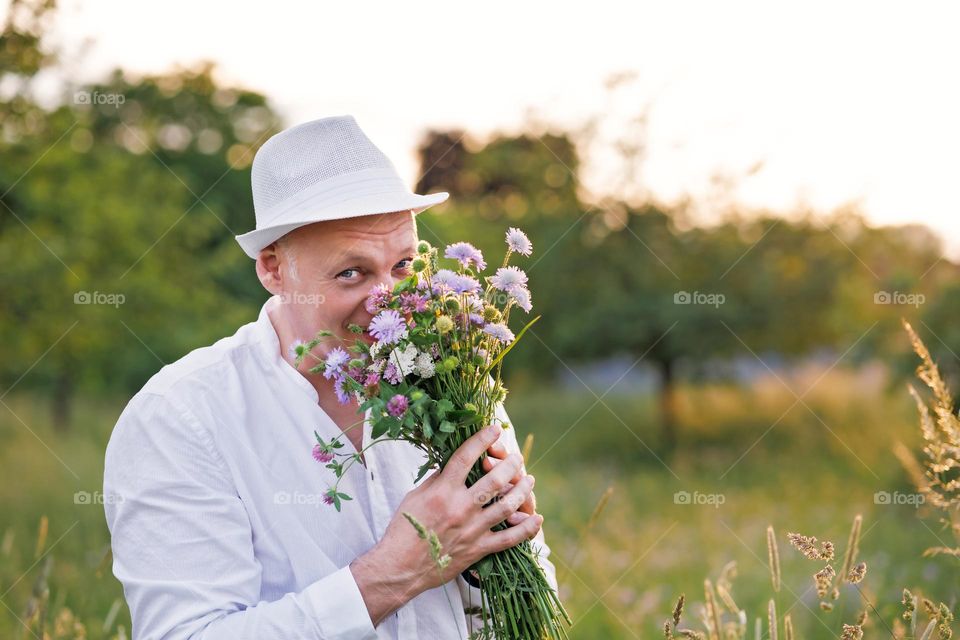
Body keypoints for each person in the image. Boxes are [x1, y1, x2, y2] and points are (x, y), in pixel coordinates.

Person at [103, 115, 557, 639]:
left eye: (405, 265)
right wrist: (396, 571)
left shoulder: (458, 387)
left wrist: (509, 544)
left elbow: (524, 584)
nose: (392, 300)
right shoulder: (180, 417)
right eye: (352, 273)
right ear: (273, 269)